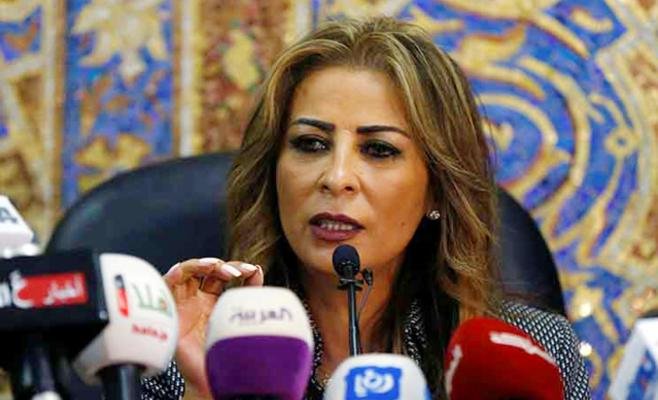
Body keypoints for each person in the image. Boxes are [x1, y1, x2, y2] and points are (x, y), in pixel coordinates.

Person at [141, 16, 591, 399]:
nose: (336, 176)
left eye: (378, 150)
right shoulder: (185, 351)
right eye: (311, 143)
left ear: (438, 188)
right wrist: (206, 389)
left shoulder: (531, 352)